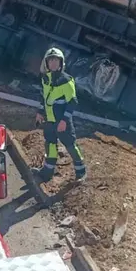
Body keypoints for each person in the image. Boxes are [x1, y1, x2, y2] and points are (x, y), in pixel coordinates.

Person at [32, 47, 87, 183]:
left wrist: (64, 120)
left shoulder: (67, 80)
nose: (53, 63)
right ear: (47, 63)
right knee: (50, 144)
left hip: (62, 122)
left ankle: (81, 172)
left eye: (56, 60)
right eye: (51, 60)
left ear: (61, 63)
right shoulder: (46, 79)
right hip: (49, 121)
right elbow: (43, 98)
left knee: (70, 146)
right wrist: (40, 112)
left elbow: (72, 102)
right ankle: (47, 172)